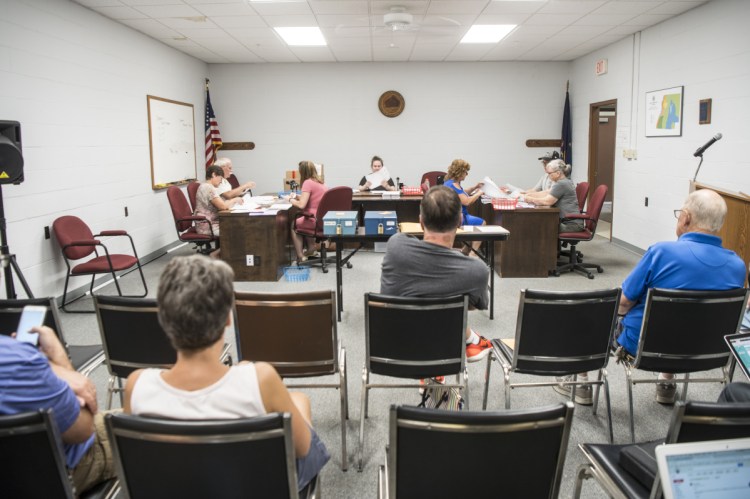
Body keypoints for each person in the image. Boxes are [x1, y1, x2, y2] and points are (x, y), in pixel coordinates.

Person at [123, 256, 330, 491]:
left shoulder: (136, 385)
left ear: (162, 319)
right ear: (228, 319)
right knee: (300, 402)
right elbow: (303, 449)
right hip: (251, 488)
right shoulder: (260, 379)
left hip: (177, 488)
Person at [380, 185, 493, 362]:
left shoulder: (396, 245)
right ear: (460, 221)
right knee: (457, 304)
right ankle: (472, 341)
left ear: (421, 221)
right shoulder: (477, 270)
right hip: (445, 349)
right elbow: (473, 306)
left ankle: (471, 341)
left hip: (393, 349)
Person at [0, 326, 115, 494]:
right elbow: (83, 429)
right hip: (49, 476)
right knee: (148, 426)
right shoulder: (16, 357)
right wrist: (59, 359)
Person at [194, 165, 244, 255]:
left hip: (212, 222)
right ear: (214, 175)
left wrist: (229, 201)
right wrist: (235, 200)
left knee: (238, 228)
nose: (221, 182)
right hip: (208, 225)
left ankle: (226, 255)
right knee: (238, 232)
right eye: (220, 178)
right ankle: (216, 254)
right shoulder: (208, 188)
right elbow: (223, 206)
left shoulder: (207, 186)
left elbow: (222, 203)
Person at [522, 160, 583, 232]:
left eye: (549, 173)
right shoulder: (563, 181)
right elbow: (546, 193)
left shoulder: (561, 184)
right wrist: (527, 195)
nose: (548, 175)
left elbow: (547, 201)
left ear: (558, 173)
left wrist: (529, 199)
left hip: (571, 225)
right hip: (567, 221)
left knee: (537, 224)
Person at [289, 160, 328, 263]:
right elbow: (313, 199)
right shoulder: (321, 183)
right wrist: (299, 197)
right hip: (323, 220)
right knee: (303, 219)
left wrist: (290, 200)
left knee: (295, 224)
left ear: (303, 172)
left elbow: (302, 205)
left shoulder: (307, 182)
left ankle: (300, 256)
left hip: (313, 220)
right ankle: (311, 249)